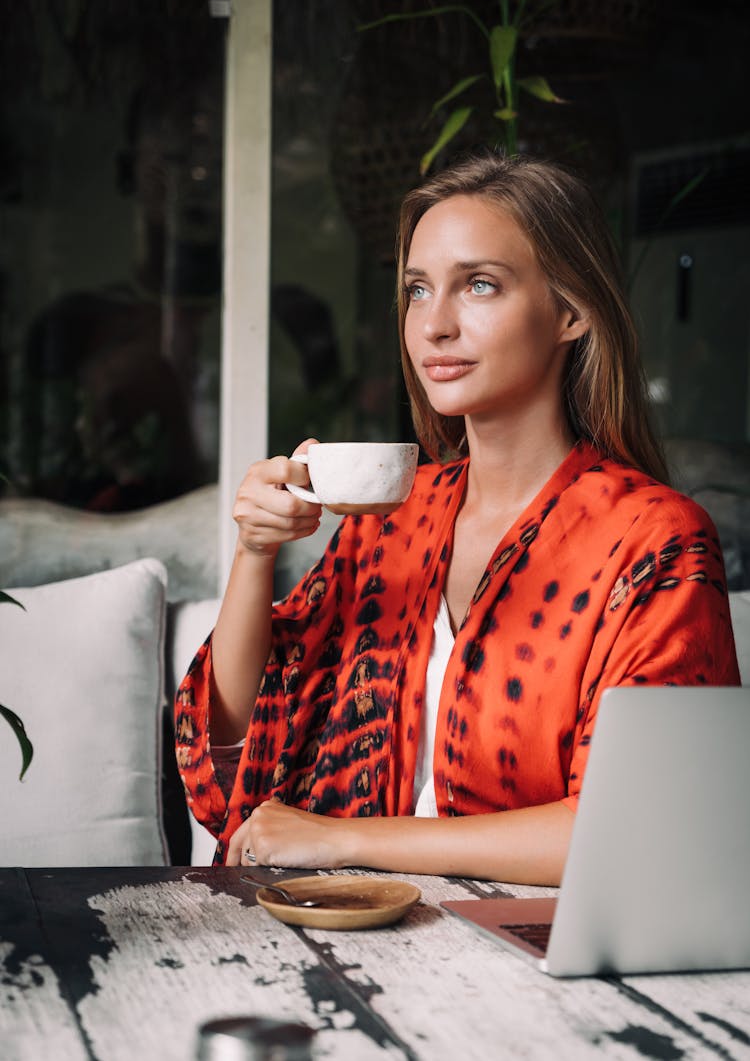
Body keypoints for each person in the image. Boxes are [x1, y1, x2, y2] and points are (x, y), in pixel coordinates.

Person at [175, 151, 740, 885]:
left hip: (522, 956)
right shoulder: (391, 520)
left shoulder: (654, 540)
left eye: (479, 285)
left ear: (571, 311)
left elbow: (634, 829)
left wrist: (348, 838)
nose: (433, 325)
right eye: (416, 290)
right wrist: (253, 552)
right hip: (343, 930)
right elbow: (246, 743)